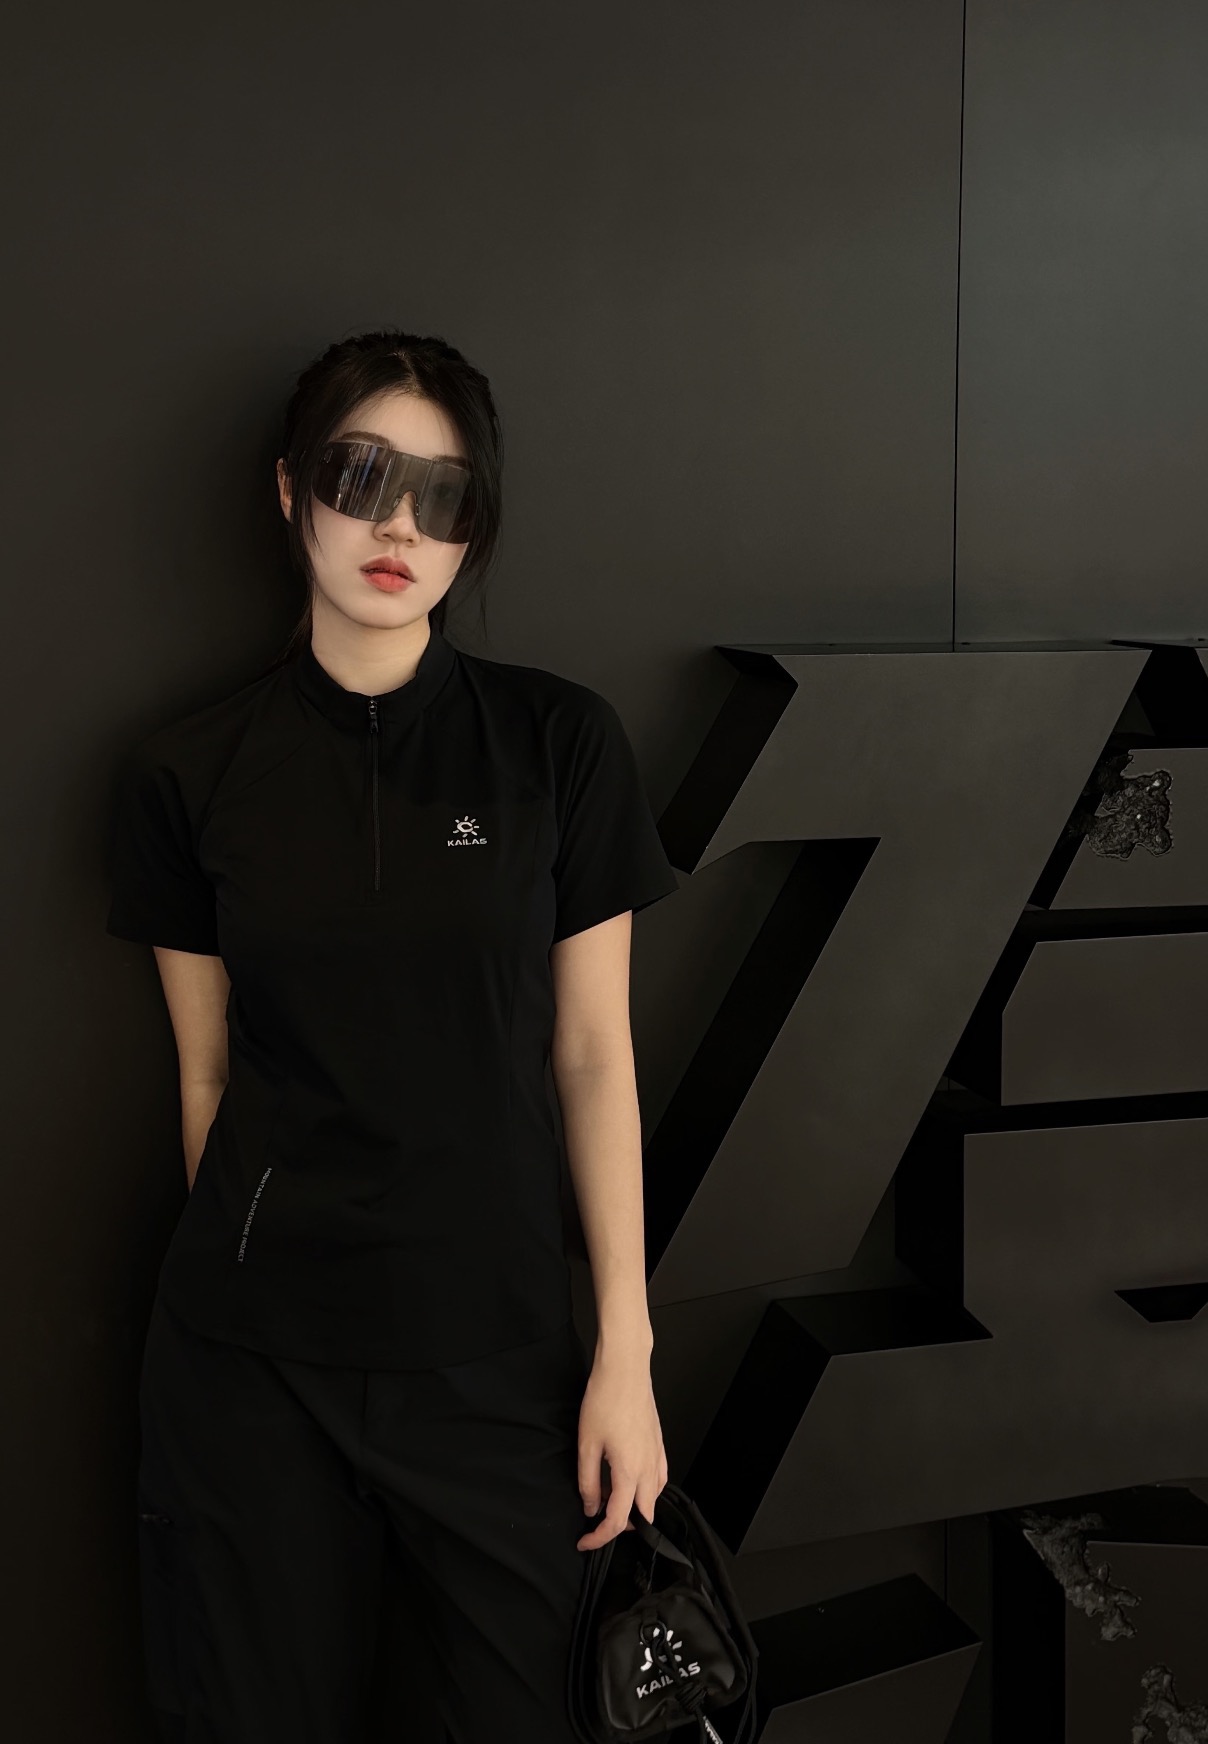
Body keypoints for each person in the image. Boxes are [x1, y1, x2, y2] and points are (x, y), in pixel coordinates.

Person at [104, 326, 682, 1743]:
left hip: (496, 1359)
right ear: (289, 489)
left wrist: (624, 1354)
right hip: (252, 1369)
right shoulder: (187, 774)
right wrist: (261, 1280)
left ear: (474, 524)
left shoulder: (557, 745)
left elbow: (596, 1058)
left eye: (443, 492)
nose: (400, 525)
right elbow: (206, 1071)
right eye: (360, 477)